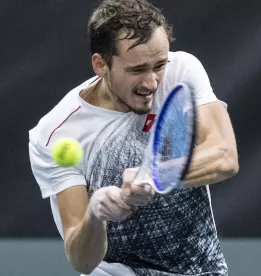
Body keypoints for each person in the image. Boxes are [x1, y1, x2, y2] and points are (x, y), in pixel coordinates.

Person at [28, 0, 238, 275]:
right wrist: (95, 214)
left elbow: (224, 157)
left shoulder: (181, 72)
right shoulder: (55, 133)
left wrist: (152, 174)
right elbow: (81, 259)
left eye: (159, 65)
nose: (152, 82)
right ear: (100, 64)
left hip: (200, 269)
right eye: (137, 70)